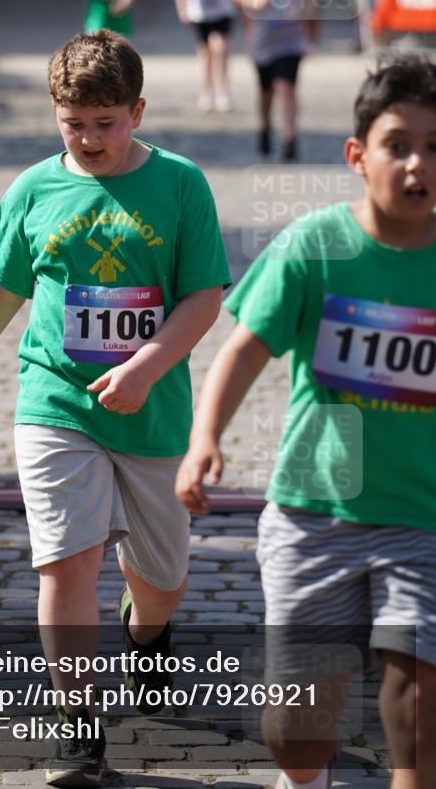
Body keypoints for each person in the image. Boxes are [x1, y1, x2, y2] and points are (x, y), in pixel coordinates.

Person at [0, 29, 231, 786]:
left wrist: (146, 367)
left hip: (152, 411)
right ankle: (78, 728)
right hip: (55, 400)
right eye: (73, 123)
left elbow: (203, 295)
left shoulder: (180, 184)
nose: (90, 138)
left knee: (161, 580)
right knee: (66, 563)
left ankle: (147, 634)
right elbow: (3, 284)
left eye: (106, 122)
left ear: (137, 112)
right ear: (54, 114)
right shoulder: (33, 189)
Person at [175, 55, 436, 789]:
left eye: (434, 147)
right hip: (313, 515)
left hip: (425, 519)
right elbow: (243, 349)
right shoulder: (313, 246)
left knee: (420, 710)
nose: (417, 164)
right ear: (357, 156)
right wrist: (204, 440)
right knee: (294, 731)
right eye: (397, 145)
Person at [230, 0, 317, 160]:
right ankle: (265, 127)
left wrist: (308, 24)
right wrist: (252, 1)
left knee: (287, 87)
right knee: (266, 90)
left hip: (291, 40)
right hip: (263, 40)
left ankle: (290, 139)